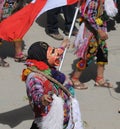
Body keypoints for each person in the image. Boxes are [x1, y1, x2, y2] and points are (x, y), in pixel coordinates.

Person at [21, 39, 84, 129]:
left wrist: (62, 46)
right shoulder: (34, 76)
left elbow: (56, 56)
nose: (56, 54)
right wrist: (42, 98)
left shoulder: (47, 66)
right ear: (42, 58)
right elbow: (36, 93)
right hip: (49, 120)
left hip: (63, 116)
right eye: (52, 52)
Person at [71, 0, 118, 90]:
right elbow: (89, 17)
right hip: (91, 33)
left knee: (103, 54)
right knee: (87, 56)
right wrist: (99, 31)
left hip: (100, 31)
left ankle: (100, 79)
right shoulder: (94, 1)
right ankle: (74, 79)